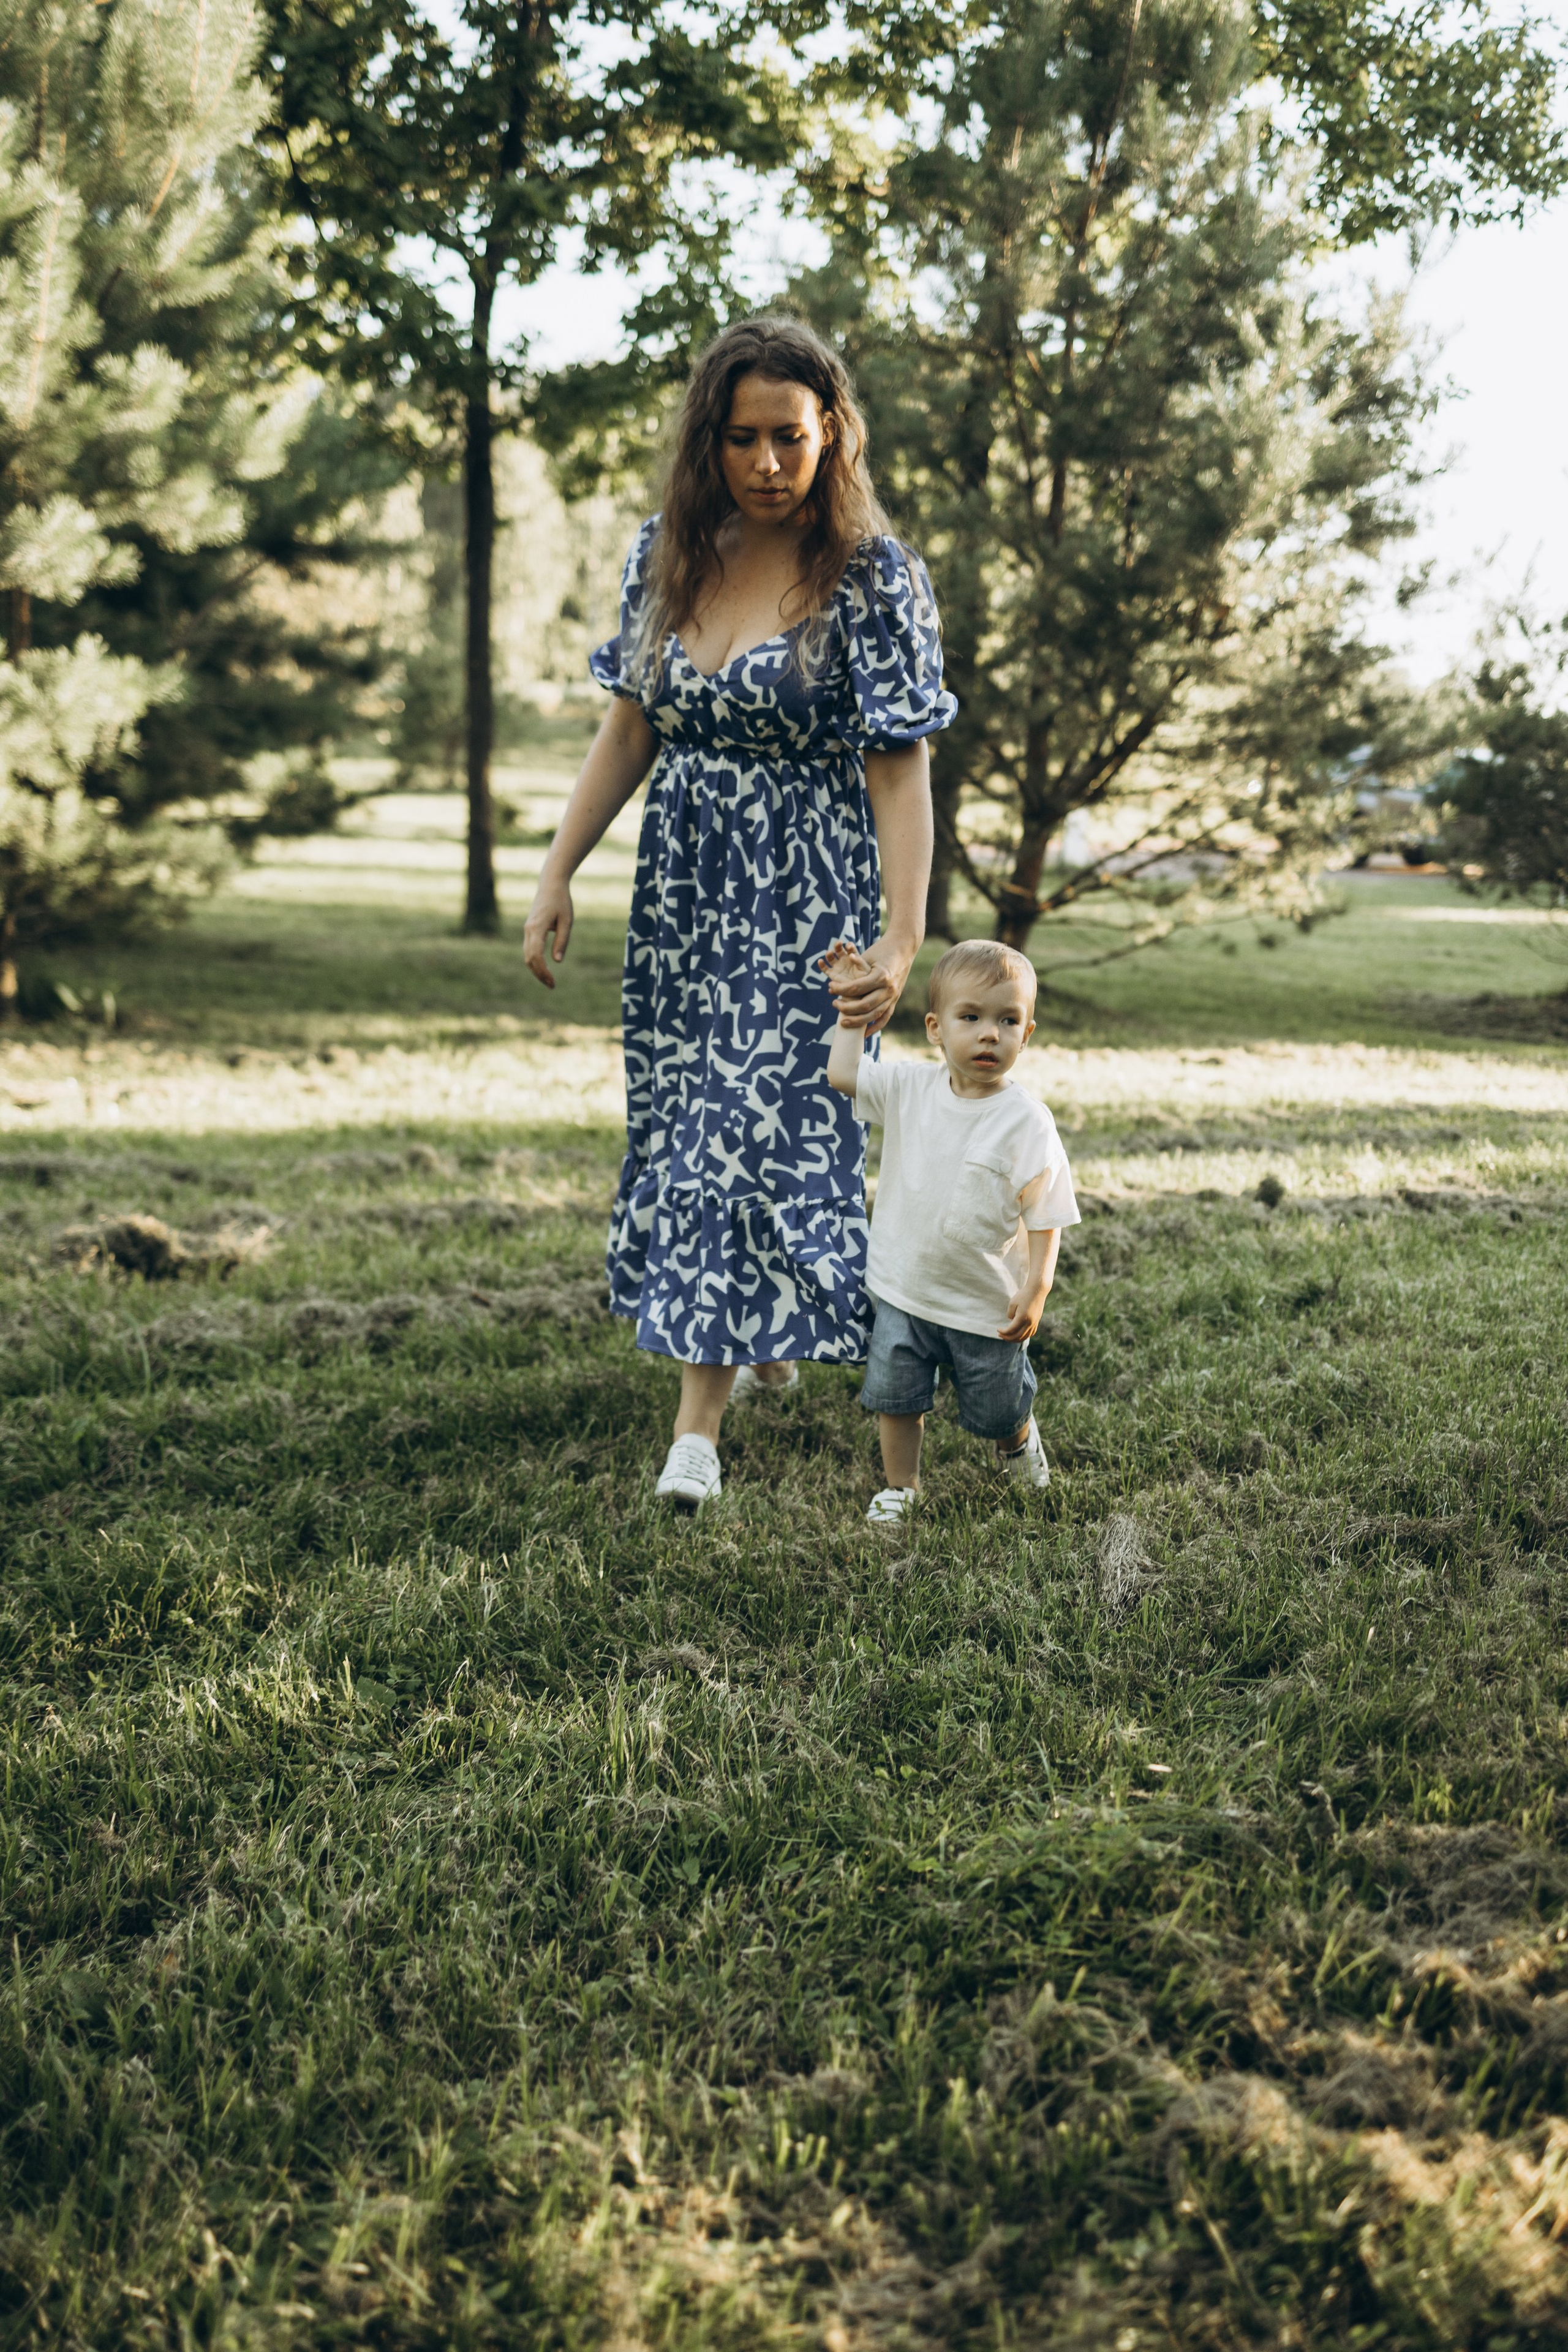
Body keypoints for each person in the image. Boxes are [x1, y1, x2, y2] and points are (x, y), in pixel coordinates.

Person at [522, 317, 955, 1512]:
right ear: (708, 441)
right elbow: (630, 727)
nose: (767, 462)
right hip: (685, 894)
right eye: (742, 438)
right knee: (690, 1123)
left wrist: (902, 939)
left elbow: (900, 769)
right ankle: (757, 1337)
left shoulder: (872, 576)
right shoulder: (665, 555)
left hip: (812, 901)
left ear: (831, 437)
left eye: (790, 438)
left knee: (753, 1122)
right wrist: (558, 871)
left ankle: (694, 1435)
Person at [825, 938, 1080, 1525]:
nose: (990, 1034)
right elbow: (843, 1073)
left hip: (985, 1304)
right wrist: (852, 1012)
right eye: (971, 1018)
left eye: (1008, 1021)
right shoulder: (909, 1089)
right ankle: (902, 1487)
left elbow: (1046, 1213)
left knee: (998, 1407)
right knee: (897, 1400)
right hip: (903, 1289)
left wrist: (1037, 1286)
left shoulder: (1027, 1122)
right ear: (936, 1029)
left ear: (1027, 1033)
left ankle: (1017, 1445)